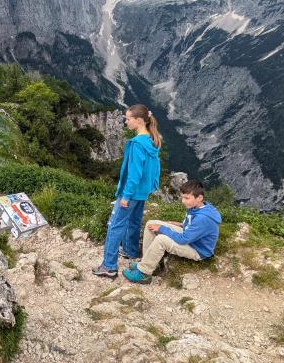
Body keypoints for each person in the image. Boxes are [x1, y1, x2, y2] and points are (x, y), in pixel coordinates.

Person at [92, 104, 161, 278]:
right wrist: (151, 186)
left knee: (115, 226)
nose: (126, 121)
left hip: (131, 192)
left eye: (128, 118)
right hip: (142, 191)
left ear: (138, 120)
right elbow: (155, 168)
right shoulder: (152, 140)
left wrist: (126, 195)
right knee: (134, 221)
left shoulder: (137, 144)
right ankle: (130, 251)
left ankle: (109, 266)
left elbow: (135, 173)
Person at [122, 180, 222, 284]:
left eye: (187, 198)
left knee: (161, 240)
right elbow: (194, 228)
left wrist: (162, 228)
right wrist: (180, 225)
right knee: (151, 224)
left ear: (199, 198)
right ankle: (149, 263)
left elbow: (184, 239)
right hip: (192, 238)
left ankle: (144, 274)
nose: (183, 201)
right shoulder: (200, 207)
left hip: (198, 249)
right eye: (182, 197)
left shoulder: (202, 218)